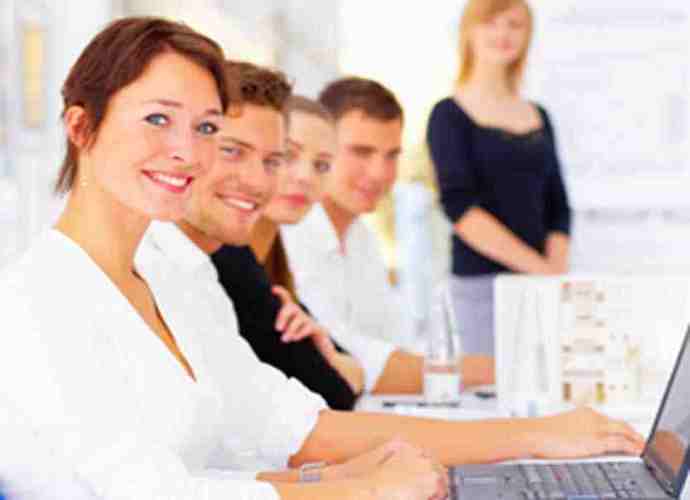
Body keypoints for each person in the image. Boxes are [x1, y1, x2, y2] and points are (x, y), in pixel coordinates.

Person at [0, 17, 445, 500]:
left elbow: (228, 453)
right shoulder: (35, 300)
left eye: (206, 128)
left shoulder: (167, 281)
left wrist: (337, 478)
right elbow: (151, 493)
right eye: (158, 119)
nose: (188, 152)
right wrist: (366, 489)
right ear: (81, 126)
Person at [149, 68, 642, 468]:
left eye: (278, 161)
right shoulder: (211, 259)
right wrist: (533, 431)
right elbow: (328, 392)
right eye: (234, 152)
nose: (274, 180)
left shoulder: (222, 263)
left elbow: (336, 381)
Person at [426, 0, 571, 357]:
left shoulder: (540, 115)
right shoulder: (448, 115)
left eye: (514, 24)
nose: (503, 33)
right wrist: (541, 270)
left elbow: (558, 206)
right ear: (469, 31)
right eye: (491, 22)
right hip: (481, 289)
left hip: (541, 289)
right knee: (489, 385)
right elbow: (460, 207)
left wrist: (553, 275)